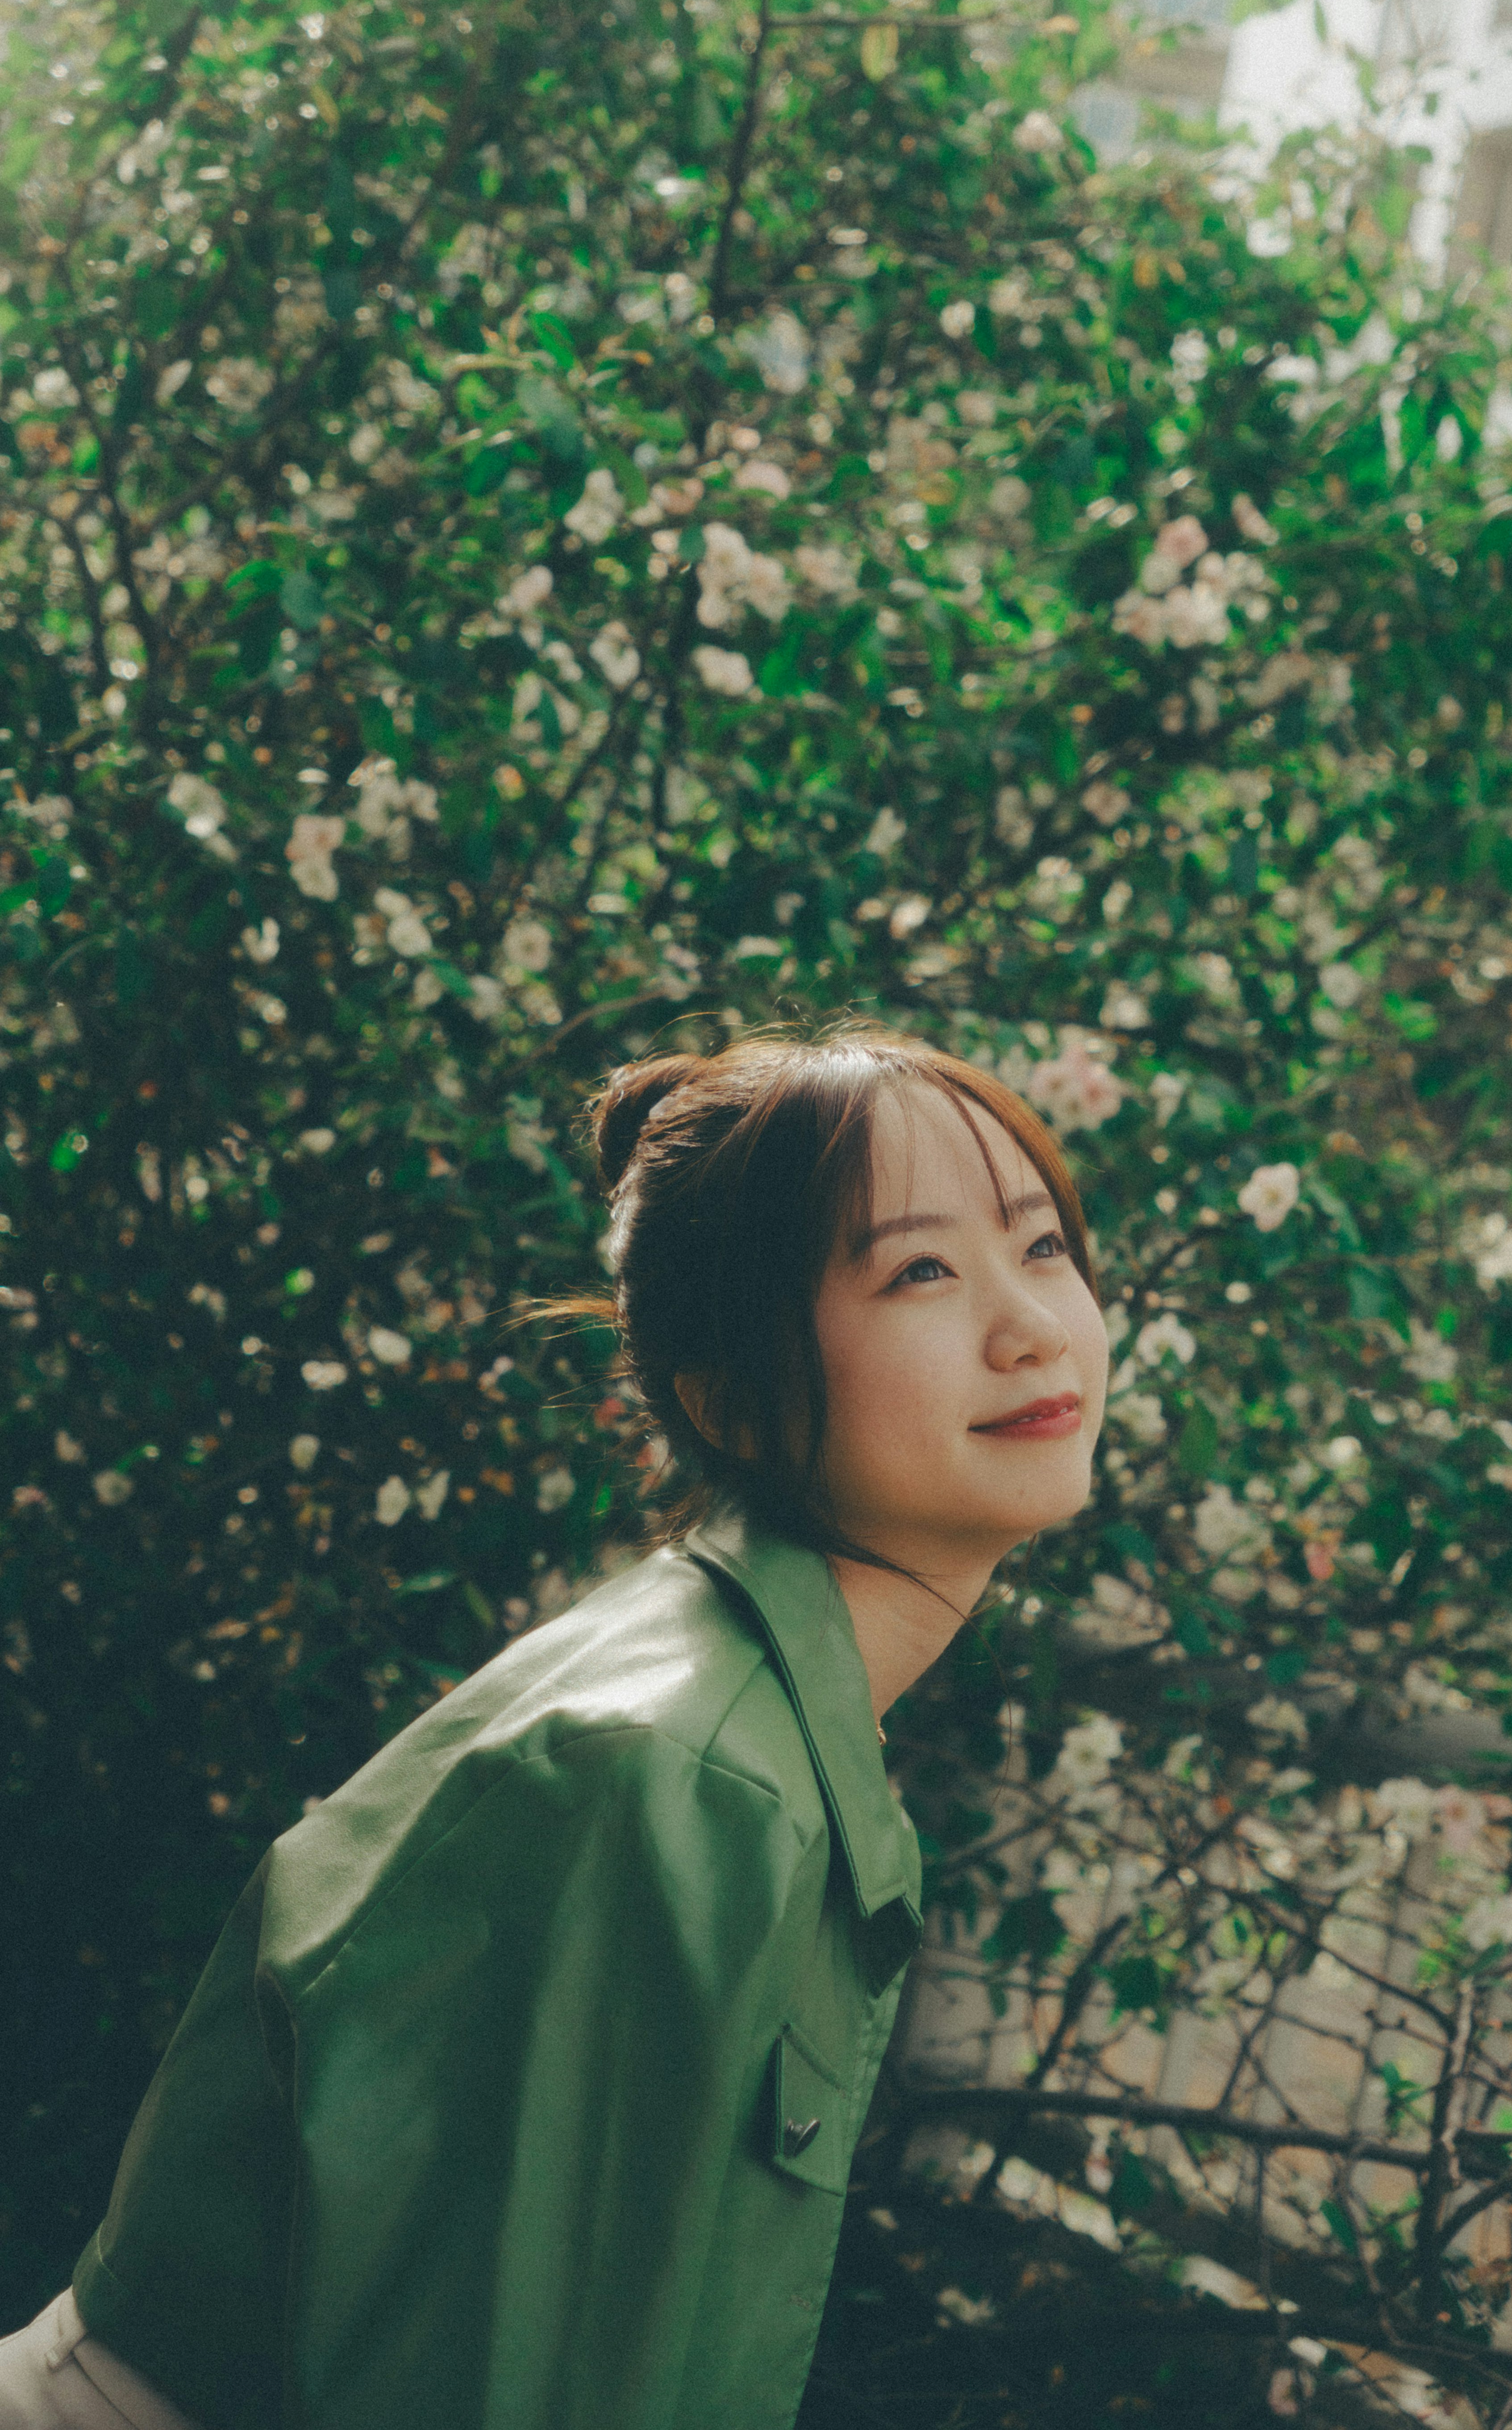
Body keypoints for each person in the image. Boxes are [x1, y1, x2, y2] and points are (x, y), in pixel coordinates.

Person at [0, 1024, 1109, 2430]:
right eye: (922, 1272)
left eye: (1044, 1248)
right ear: (726, 1396)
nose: (1030, 1328)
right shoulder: (675, 1778)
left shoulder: (731, 1691)